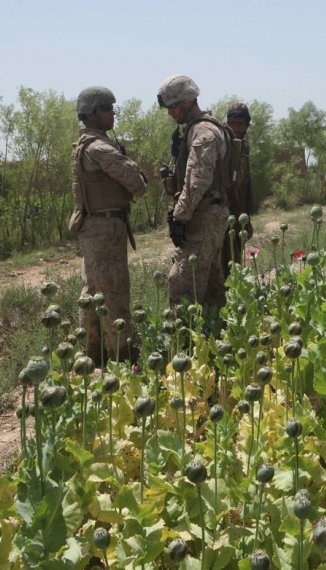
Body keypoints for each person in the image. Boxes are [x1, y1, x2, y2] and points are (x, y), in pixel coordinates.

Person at [69, 86, 147, 363]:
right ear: (91, 114)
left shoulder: (83, 144)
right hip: (105, 229)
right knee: (113, 291)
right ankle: (122, 355)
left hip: (93, 227)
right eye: (107, 109)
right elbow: (137, 184)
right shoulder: (100, 148)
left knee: (92, 290)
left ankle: (91, 353)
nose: (112, 113)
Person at [158, 74, 229, 316]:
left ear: (188, 102)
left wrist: (180, 216)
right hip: (207, 214)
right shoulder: (195, 130)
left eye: (173, 107)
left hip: (202, 216)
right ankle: (216, 337)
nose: (170, 114)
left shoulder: (203, 132)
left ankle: (185, 345)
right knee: (210, 284)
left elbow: (198, 180)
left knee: (182, 284)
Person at [221, 102, 257, 277]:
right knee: (226, 260)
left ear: (247, 126)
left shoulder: (243, 147)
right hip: (225, 213)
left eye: (239, 124)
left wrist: (247, 216)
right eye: (232, 123)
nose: (235, 127)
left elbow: (247, 182)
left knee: (236, 258)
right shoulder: (222, 146)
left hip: (240, 212)